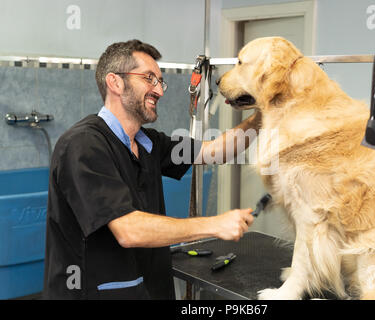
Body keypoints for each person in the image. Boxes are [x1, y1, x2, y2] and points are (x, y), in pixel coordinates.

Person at [42, 39, 261, 300]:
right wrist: (215, 224)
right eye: (149, 78)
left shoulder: (149, 143)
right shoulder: (82, 145)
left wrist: (264, 116)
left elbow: (213, 152)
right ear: (115, 82)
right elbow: (128, 230)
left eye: (160, 81)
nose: (159, 90)